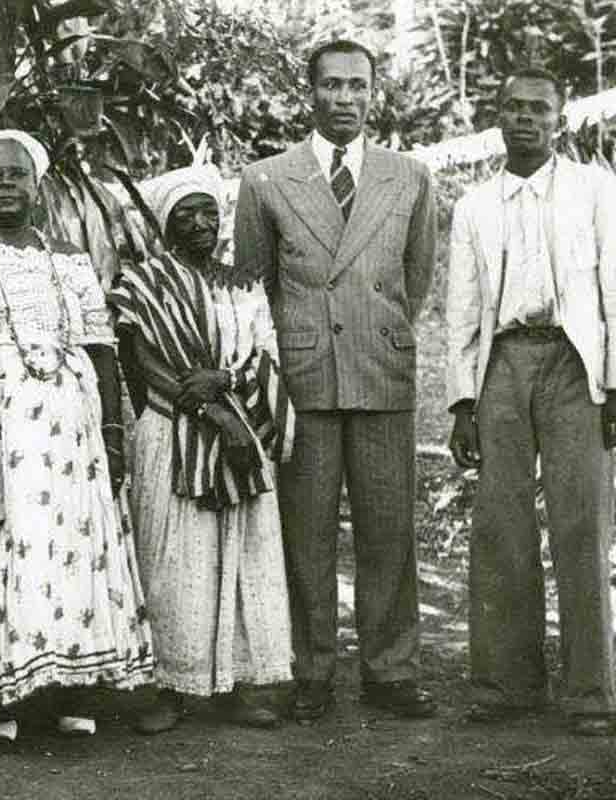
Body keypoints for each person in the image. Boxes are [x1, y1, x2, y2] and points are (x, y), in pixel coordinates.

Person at [0, 129, 154, 744]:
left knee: (65, 548)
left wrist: (114, 432)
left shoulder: (70, 260)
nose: (6, 185)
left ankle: (64, 691)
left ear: (37, 184)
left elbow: (101, 352)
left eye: (17, 174)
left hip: (70, 432)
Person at [233, 39, 437, 721]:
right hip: (303, 378)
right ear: (309, 93)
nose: (344, 99)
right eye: (331, 86)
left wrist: (374, 328)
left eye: (358, 86)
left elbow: (415, 278)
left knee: (388, 529)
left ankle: (391, 669)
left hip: (382, 372)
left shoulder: (410, 176)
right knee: (305, 533)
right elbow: (253, 286)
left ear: (374, 95)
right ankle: (309, 669)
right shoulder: (266, 179)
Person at [446, 67, 616, 736]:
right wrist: (462, 402)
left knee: (581, 524)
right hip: (504, 366)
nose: (524, 119)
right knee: (501, 525)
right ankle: (505, 684)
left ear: (560, 120)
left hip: (575, 365)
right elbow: (461, 308)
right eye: (512, 107)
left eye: (538, 109)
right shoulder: (473, 206)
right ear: (496, 117)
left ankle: (590, 694)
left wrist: (615, 385)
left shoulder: (598, 191)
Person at [109, 165, 295, 734]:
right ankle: (170, 686)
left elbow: (265, 354)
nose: (199, 224)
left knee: (242, 557)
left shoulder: (243, 284)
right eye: (185, 214)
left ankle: (239, 683)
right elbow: (143, 364)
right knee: (174, 561)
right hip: (172, 431)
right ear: (165, 224)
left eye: (208, 212)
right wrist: (208, 409)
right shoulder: (141, 283)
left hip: (242, 426)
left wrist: (226, 387)